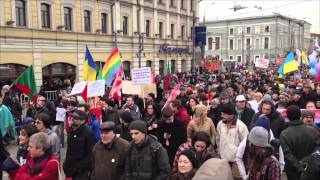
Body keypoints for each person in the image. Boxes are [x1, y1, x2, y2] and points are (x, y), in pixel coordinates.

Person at [280, 105, 320, 180]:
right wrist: (306, 162)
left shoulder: (284, 133)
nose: (309, 119)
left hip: (294, 170)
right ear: (300, 116)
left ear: (288, 117)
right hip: (310, 168)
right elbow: (317, 148)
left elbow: (287, 154)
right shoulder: (313, 131)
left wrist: (300, 165)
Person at [216, 104, 249, 178]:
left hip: (236, 159)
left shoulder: (241, 126)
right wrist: (219, 152)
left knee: (235, 177)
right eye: (221, 114)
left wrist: (240, 155)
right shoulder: (220, 124)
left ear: (232, 115)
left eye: (224, 114)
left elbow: (246, 142)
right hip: (223, 158)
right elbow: (218, 139)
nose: (222, 116)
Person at [63, 110, 95, 180]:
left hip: (81, 171)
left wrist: (79, 168)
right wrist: (66, 164)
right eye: (73, 117)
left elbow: (90, 154)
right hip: (69, 168)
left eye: (76, 118)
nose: (73, 119)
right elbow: (69, 149)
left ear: (83, 121)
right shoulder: (72, 130)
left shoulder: (88, 133)